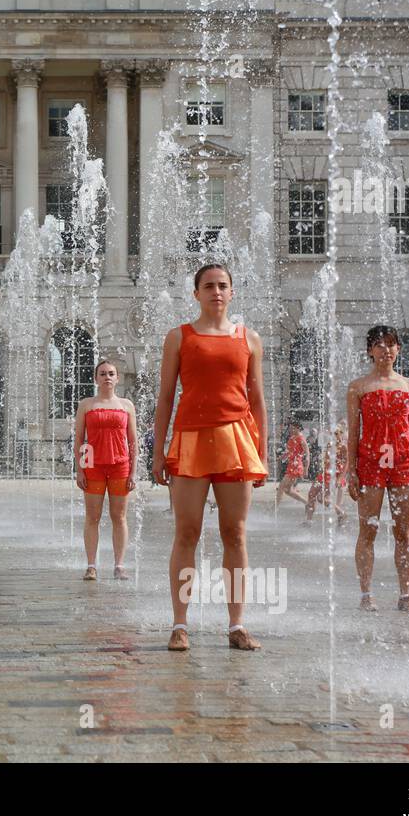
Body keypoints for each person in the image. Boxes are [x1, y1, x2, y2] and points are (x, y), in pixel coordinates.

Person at [150, 264, 269, 652]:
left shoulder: (249, 338)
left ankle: (237, 625)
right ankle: (179, 623)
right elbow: (166, 397)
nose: (216, 292)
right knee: (187, 533)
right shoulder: (178, 338)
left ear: (232, 292)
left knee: (234, 533)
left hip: (236, 439)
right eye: (208, 286)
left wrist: (262, 452)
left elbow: (257, 401)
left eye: (222, 286)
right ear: (196, 293)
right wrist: (157, 451)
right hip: (189, 440)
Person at [346, 325, 409, 613]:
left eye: (391, 345)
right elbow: (353, 431)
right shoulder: (359, 386)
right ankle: (366, 593)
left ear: (398, 350)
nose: (386, 350)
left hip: (403, 463)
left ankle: (405, 594)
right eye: (379, 345)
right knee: (368, 529)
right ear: (370, 351)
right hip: (370, 462)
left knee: (404, 532)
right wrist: (350, 469)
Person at [73, 359, 138, 581]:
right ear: (96, 378)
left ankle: (119, 565)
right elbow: (79, 439)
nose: (107, 377)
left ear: (117, 378)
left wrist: (133, 471)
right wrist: (80, 470)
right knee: (92, 516)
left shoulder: (127, 405)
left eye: (111, 373)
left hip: (120, 465)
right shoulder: (86, 404)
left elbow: (133, 442)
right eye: (102, 373)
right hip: (92, 465)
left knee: (119, 516)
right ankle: (91, 565)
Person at [275, 423, 308, 509]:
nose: (290, 430)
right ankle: (307, 503)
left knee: (282, 486)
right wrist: (281, 457)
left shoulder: (301, 439)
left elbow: (308, 455)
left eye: (293, 428)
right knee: (287, 490)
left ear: (298, 428)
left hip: (296, 466)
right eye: (290, 428)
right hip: (291, 465)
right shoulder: (292, 438)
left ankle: (275, 507)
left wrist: (306, 469)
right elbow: (289, 451)